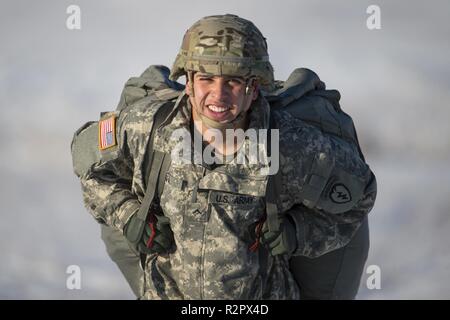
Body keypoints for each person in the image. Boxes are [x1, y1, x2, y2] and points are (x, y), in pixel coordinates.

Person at [71, 14, 376, 300]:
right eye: (206, 79)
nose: (218, 96)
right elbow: (90, 167)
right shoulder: (147, 128)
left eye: (233, 81)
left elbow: (359, 196)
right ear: (188, 82)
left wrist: (300, 233)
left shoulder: (290, 146)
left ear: (253, 87)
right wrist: (126, 216)